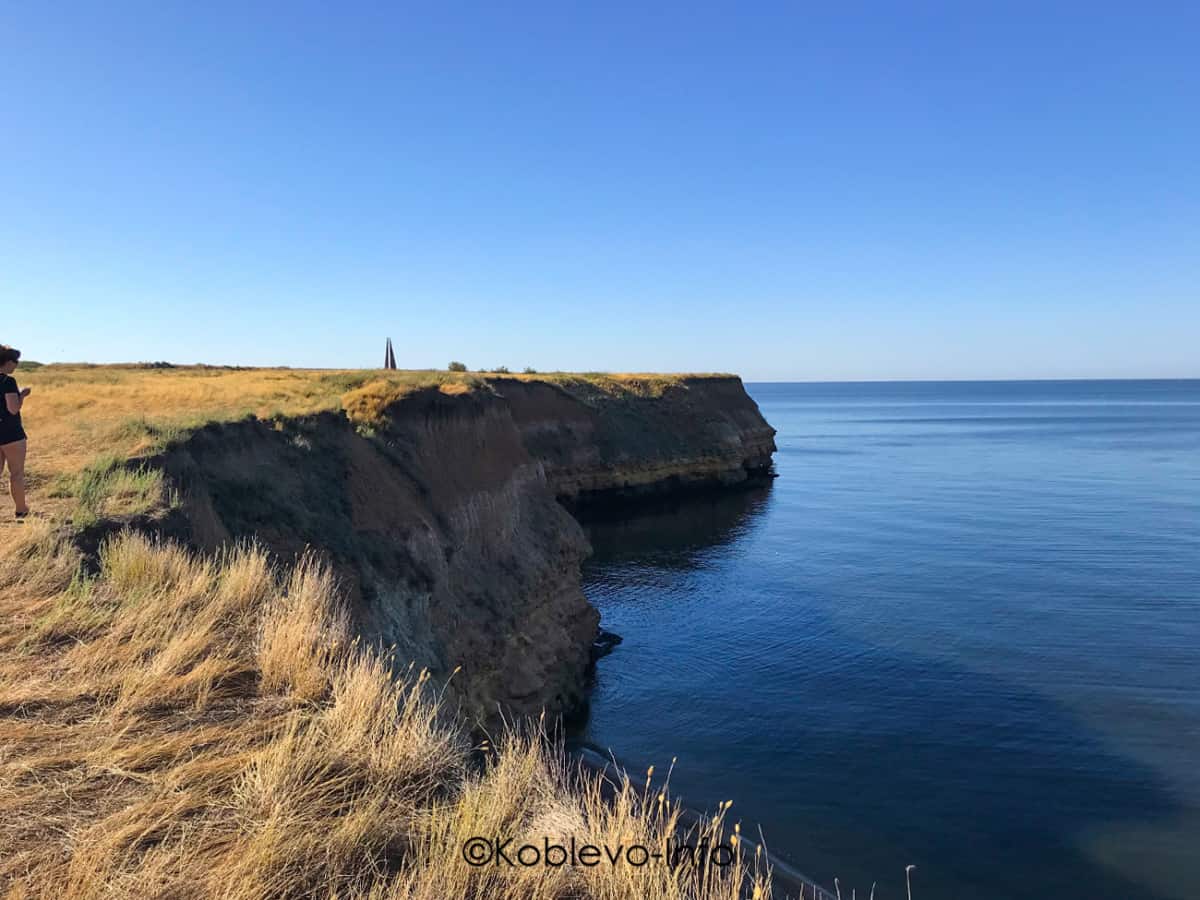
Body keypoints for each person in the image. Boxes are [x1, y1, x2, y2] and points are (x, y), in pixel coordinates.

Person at [0, 345, 31, 519]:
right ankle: (21, 510)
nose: (16, 365)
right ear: (8, 362)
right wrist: (22, 395)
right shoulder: (8, 382)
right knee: (16, 473)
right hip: (11, 433)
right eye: (15, 361)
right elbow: (13, 409)